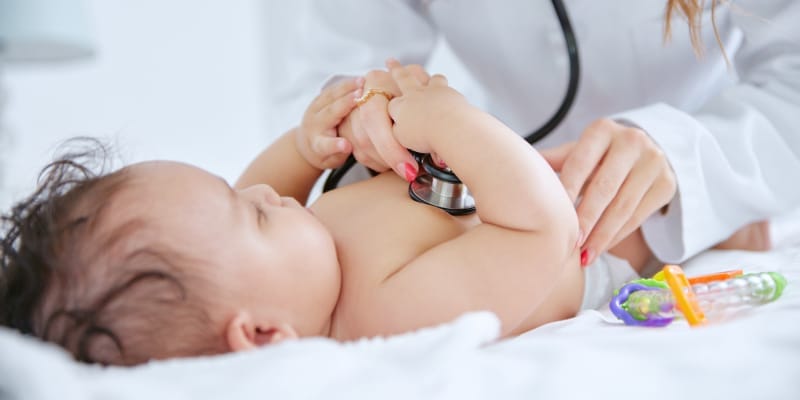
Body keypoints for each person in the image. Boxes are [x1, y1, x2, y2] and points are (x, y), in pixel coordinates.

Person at [0, 61, 660, 366]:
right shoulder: (381, 317)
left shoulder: (279, 259)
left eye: (235, 191)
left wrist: (309, 142)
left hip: (488, 186)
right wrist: (453, 122)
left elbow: (262, 183)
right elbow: (542, 234)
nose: (261, 193)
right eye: (251, 215)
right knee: (632, 221)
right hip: (580, 242)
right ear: (262, 335)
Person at [269, 0, 800, 268]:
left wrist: (687, 160)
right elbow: (328, 72)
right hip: (512, 183)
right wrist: (357, 105)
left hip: (716, 169)